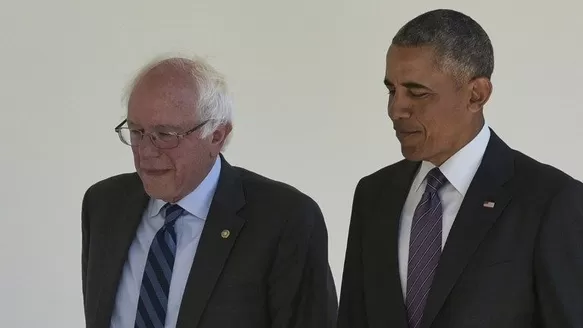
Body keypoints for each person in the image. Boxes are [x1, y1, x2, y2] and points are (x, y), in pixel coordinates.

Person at [337, 8, 583, 328]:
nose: (396, 108)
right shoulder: (373, 194)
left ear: (476, 95)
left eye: (417, 92)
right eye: (392, 90)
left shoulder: (551, 200)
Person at [81, 56, 337, 328]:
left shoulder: (285, 219)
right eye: (136, 131)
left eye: (165, 135)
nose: (146, 151)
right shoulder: (104, 205)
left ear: (217, 135)